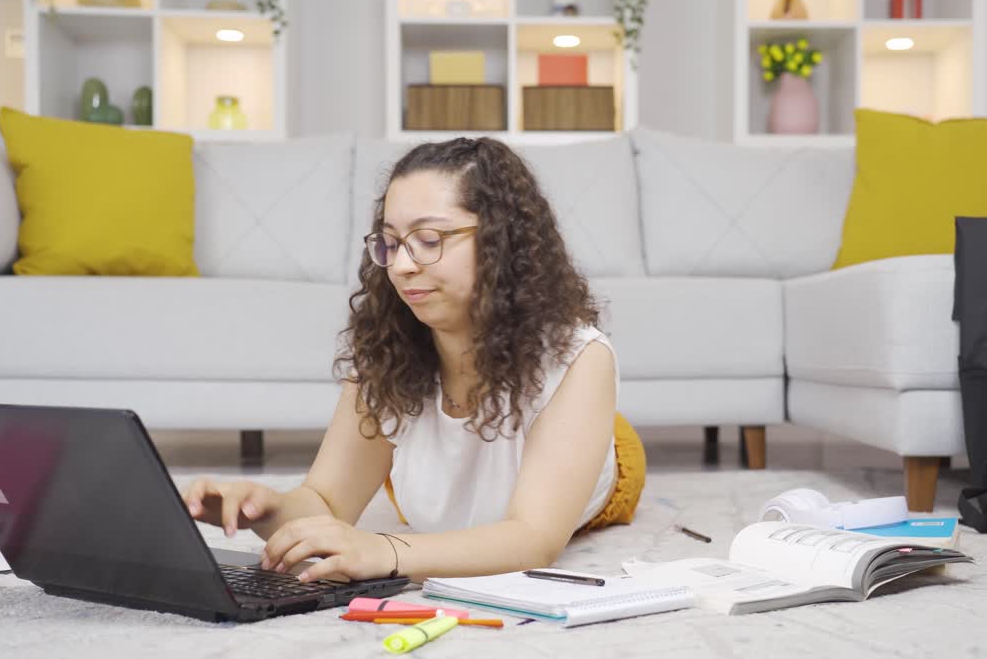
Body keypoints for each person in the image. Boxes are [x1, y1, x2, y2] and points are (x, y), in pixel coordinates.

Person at [179, 137, 645, 583]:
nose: (401, 265)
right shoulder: (389, 350)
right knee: (435, 500)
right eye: (391, 243)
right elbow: (326, 501)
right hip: (458, 474)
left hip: (603, 455)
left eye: (428, 239)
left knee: (574, 465)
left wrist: (384, 550)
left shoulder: (580, 360)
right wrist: (265, 508)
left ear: (501, 243)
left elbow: (534, 538)